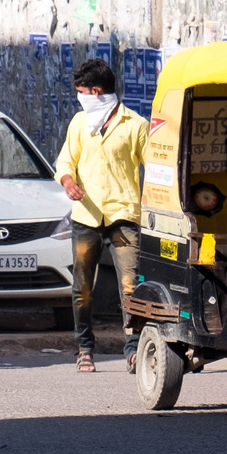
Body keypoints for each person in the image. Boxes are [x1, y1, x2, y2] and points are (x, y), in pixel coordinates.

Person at [55, 58, 148, 373]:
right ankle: (84, 348)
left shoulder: (135, 125)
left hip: (123, 217)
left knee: (130, 284)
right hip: (86, 217)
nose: (79, 97)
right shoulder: (80, 123)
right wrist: (68, 182)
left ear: (96, 91)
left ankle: (134, 348)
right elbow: (66, 162)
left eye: (82, 91)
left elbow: (154, 167)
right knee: (82, 286)